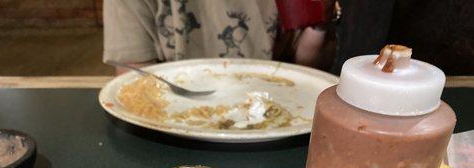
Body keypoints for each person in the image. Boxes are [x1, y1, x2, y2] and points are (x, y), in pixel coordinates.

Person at [103, 0, 337, 75]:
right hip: (170, 131)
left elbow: (307, 67)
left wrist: (318, 25)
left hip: (269, 120)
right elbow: (134, 78)